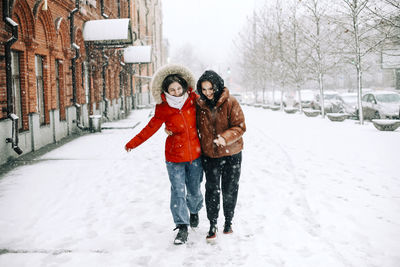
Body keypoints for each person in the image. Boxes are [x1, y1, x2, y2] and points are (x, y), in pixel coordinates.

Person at [124, 64, 203, 245]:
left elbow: (210, 111)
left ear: (184, 87)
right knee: (177, 191)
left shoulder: (194, 100)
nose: (176, 92)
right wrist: (133, 143)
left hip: (195, 156)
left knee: (194, 191)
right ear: (166, 91)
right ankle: (182, 226)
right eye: (172, 90)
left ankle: (194, 210)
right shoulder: (163, 108)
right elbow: (150, 128)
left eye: (178, 88)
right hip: (174, 157)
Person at [196, 70, 246, 242]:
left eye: (210, 88)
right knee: (211, 190)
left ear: (217, 86)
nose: (208, 93)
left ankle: (228, 221)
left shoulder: (231, 102)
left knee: (230, 188)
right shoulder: (199, 105)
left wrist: (225, 138)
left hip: (232, 153)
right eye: (204, 89)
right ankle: (212, 223)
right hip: (210, 155)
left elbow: (240, 127)